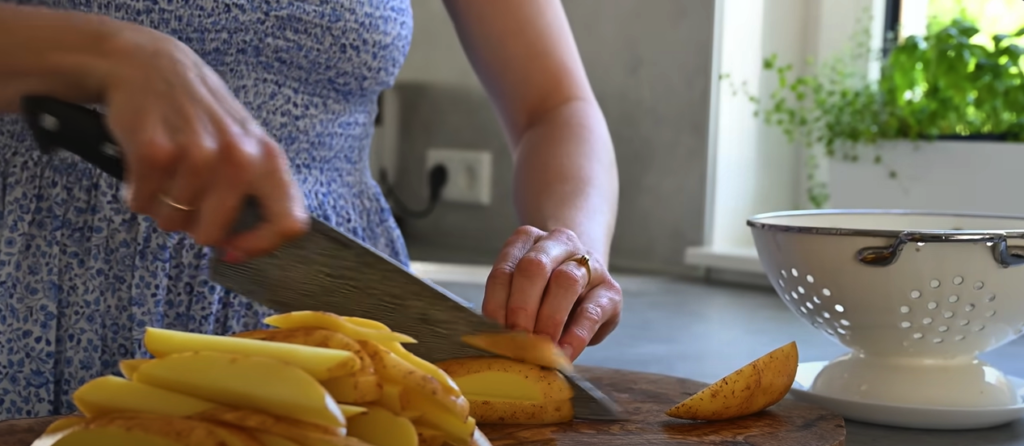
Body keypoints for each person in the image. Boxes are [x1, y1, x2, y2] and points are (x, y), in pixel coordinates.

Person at [0, 0, 622, 421]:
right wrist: (111, 55)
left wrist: (572, 242)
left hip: (331, 320)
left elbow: (556, 107)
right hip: (31, 286)